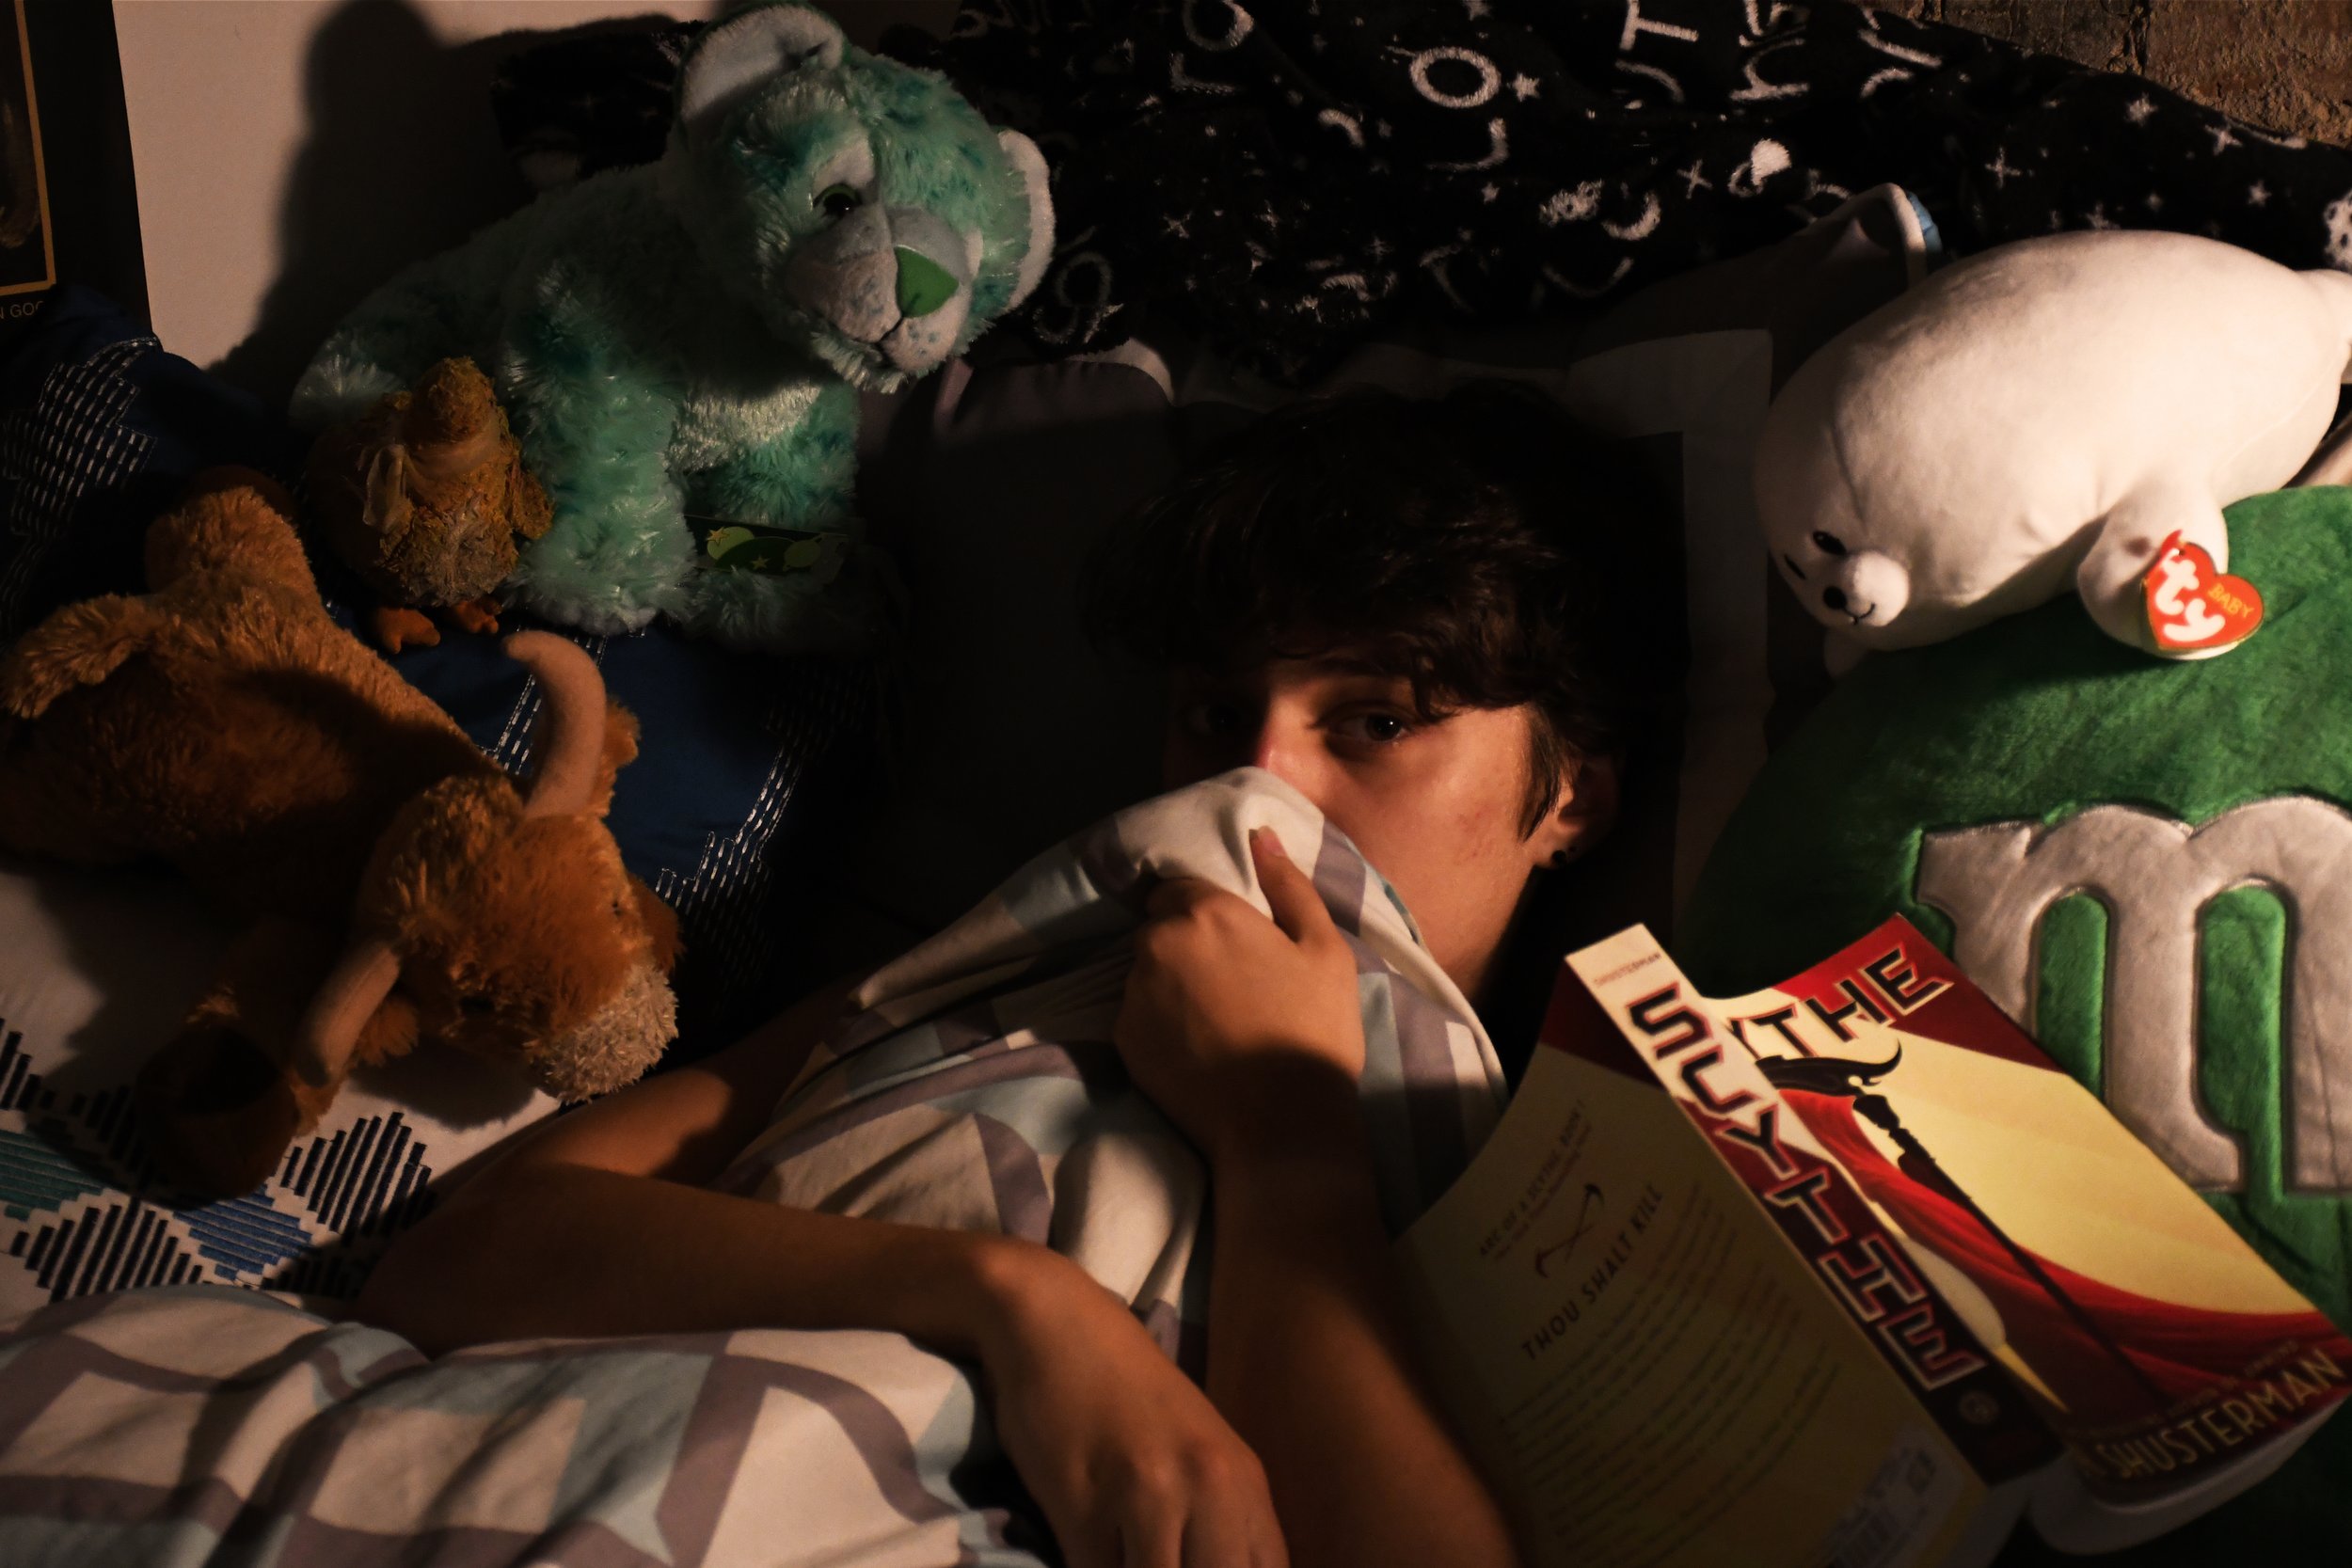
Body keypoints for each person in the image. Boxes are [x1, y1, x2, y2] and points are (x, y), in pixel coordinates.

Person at [354, 383, 1643, 1568]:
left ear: (1572, 796)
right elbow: (454, 1264)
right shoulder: (984, 973)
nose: (1259, 784)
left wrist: (1282, 1134)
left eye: (1377, 722)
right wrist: (1016, 1306)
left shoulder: (1578, 1187)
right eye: (1212, 714)